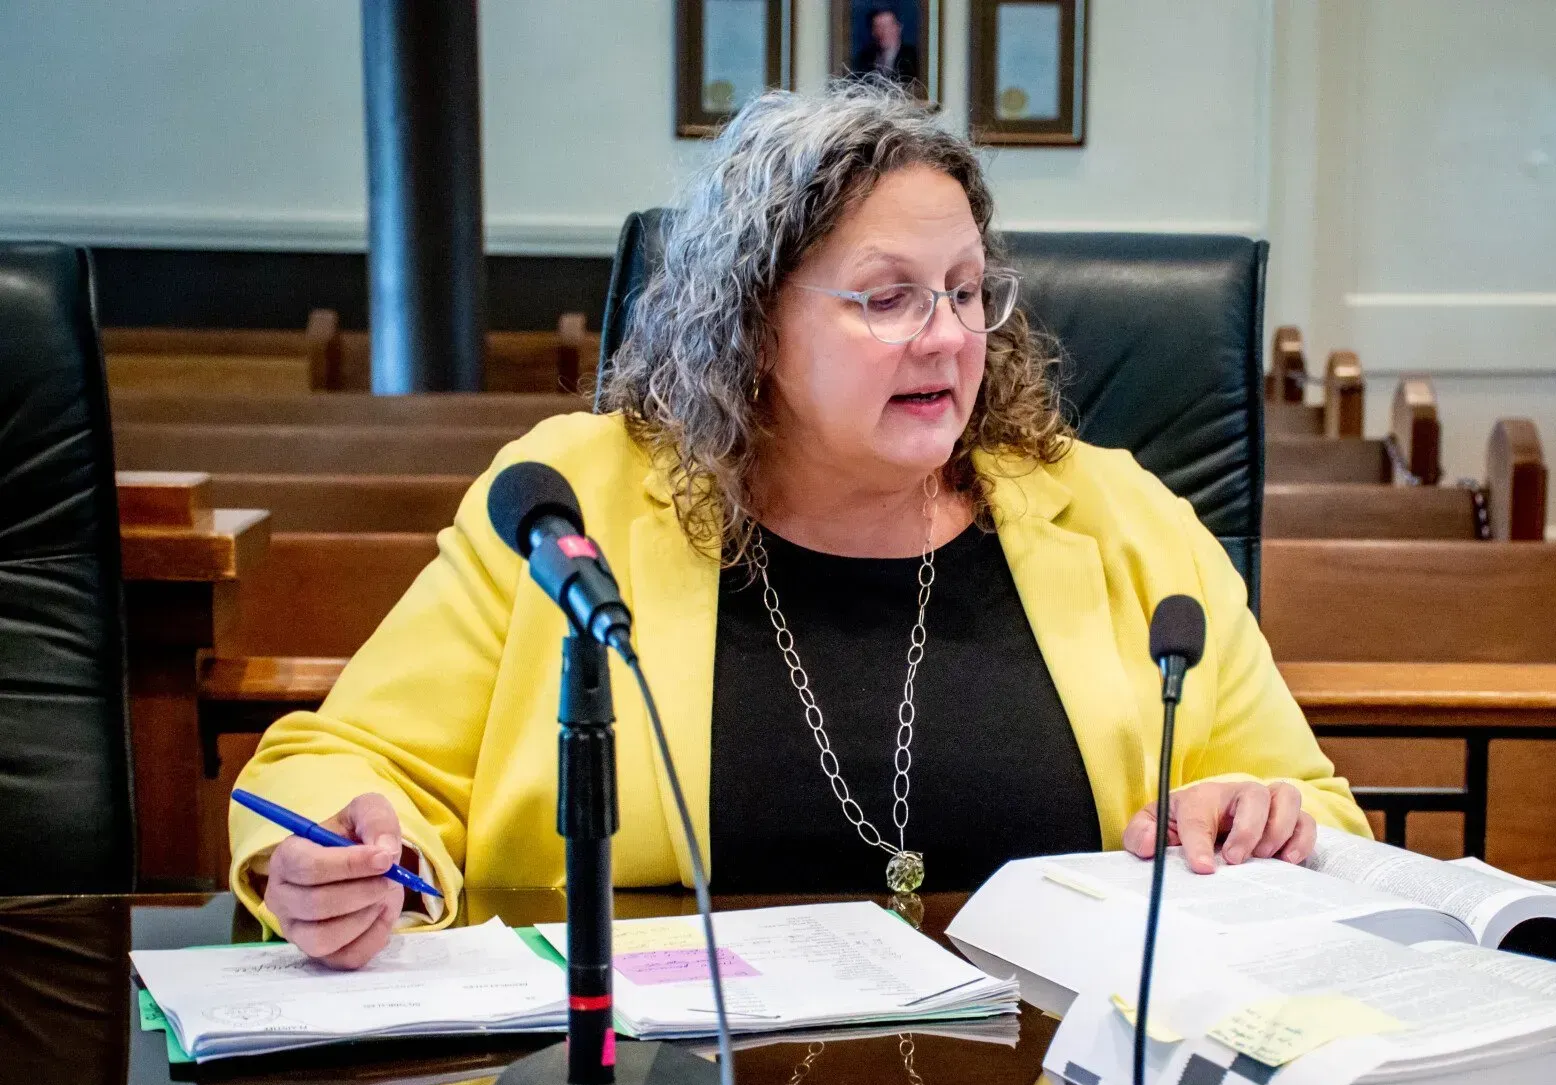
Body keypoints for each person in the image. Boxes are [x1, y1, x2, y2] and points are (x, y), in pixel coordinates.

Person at [230, 80, 1368, 969]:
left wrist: (1265, 824)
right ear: (755, 319)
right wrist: (349, 858)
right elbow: (339, 760)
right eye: (888, 297)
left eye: (967, 290)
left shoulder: (1118, 515)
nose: (947, 335)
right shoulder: (573, 501)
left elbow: (1314, 811)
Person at [850, 6, 920, 89]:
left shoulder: (914, 57)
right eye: (878, 27)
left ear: (898, 28)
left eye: (888, 26)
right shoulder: (864, 58)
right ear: (872, 32)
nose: (884, 32)